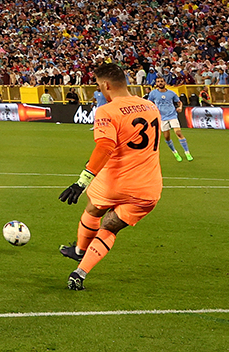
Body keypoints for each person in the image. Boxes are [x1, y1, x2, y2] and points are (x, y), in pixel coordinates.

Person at [58, 63, 163, 291]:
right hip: (148, 187)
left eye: (98, 85)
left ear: (105, 85)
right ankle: (80, 272)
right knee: (110, 228)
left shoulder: (107, 110)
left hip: (114, 182)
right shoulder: (150, 106)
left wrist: (81, 182)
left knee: (94, 209)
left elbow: (105, 147)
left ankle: (79, 251)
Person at [147, 80, 192, 161]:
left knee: (178, 133)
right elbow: (149, 103)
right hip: (162, 118)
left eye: (161, 81)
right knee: (167, 137)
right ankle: (175, 152)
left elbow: (179, 102)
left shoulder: (171, 93)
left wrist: (180, 107)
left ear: (165, 83)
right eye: (158, 82)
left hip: (172, 115)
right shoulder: (153, 93)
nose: (160, 83)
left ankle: (187, 152)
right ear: (156, 84)